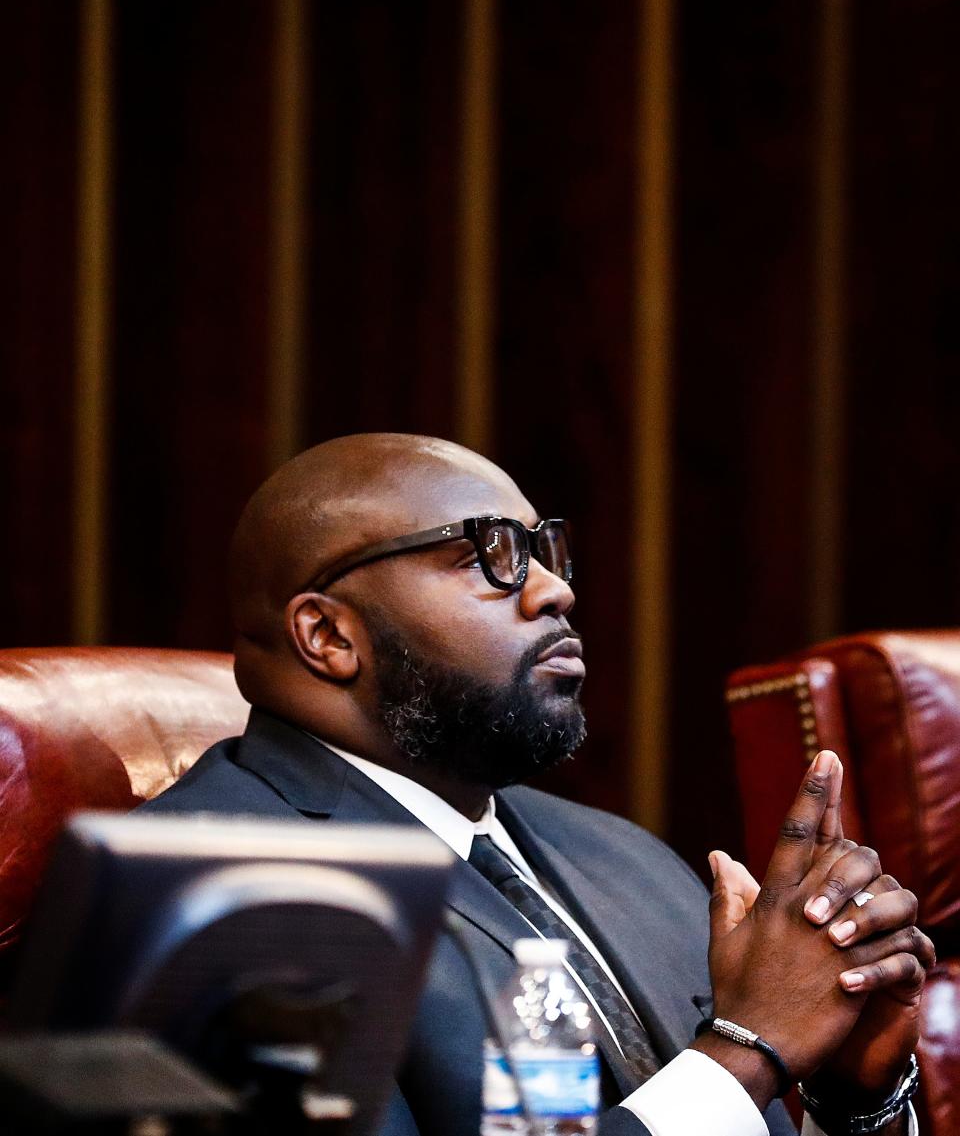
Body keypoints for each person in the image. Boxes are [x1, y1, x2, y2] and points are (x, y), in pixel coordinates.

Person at [144, 433, 933, 1136]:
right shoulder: (214, 895)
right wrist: (749, 1050)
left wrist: (851, 1094)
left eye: (544, 549)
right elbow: (736, 1068)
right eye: (488, 552)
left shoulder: (622, 856)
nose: (555, 590)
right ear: (329, 634)